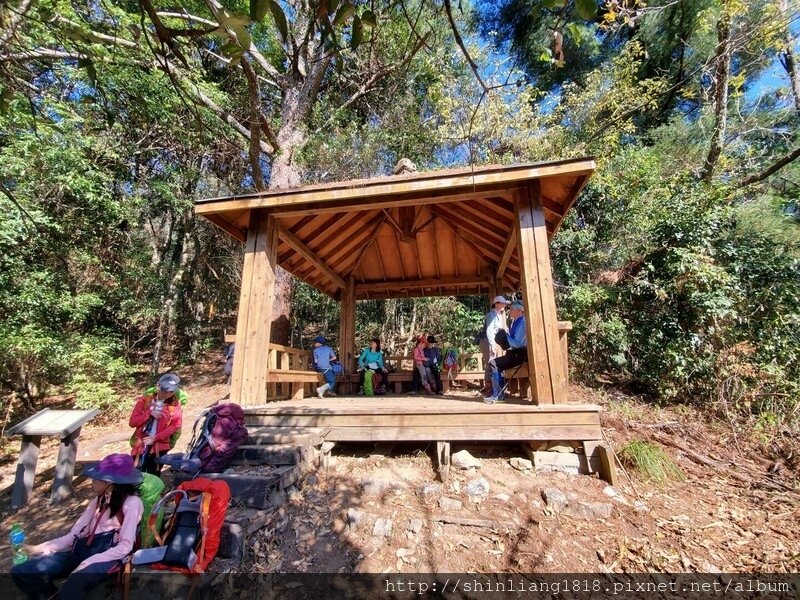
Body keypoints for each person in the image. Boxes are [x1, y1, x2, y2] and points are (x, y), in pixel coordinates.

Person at [11, 454, 144, 600]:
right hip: (84, 549)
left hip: (109, 555)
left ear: (109, 482)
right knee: (22, 571)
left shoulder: (132, 503)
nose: (91, 481)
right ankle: (49, 595)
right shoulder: (100, 498)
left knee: (76, 581)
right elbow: (74, 534)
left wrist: (88, 563)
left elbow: (125, 546)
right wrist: (39, 548)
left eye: (95, 478)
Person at [129, 372, 183, 475]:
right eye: (164, 390)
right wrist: (149, 413)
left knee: (154, 474)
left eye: (171, 391)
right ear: (158, 385)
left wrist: (155, 438)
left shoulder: (175, 405)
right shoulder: (144, 401)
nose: (166, 394)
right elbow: (132, 422)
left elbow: (176, 425)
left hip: (159, 446)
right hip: (140, 444)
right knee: (136, 474)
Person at [485, 300, 527, 404]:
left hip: (519, 354)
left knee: (494, 363)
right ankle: (498, 393)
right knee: (494, 363)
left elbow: (517, 343)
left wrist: (505, 336)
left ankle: (498, 395)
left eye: (512, 309)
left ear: (519, 310)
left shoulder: (523, 322)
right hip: (513, 353)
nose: (510, 311)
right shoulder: (515, 321)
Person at [481, 296, 511, 395]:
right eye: (502, 303)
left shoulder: (498, 314)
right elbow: (489, 331)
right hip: (488, 341)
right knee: (490, 364)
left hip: (493, 341)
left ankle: (495, 388)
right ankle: (489, 389)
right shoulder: (491, 315)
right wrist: (492, 345)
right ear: (496, 304)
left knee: (493, 363)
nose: (504, 305)